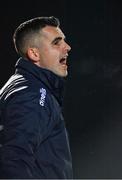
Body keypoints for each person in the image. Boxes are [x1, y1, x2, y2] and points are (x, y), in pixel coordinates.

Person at [0, 16, 73, 179]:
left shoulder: (19, 84)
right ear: (34, 53)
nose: (67, 47)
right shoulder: (33, 94)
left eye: (64, 41)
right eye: (57, 42)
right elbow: (14, 158)